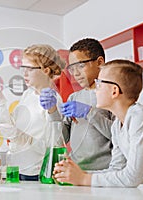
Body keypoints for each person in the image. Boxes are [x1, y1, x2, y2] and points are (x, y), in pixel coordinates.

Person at [53, 59, 143, 187]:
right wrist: (74, 175)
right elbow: (116, 169)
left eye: (99, 84)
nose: (95, 90)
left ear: (114, 91)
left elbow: (131, 178)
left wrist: (83, 179)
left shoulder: (141, 118)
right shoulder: (118, 125)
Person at [40, 38, 113, 170]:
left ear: (100, 62)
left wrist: (89, 112)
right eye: (72, 68)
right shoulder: (74, 97)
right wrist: (52, 110)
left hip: (105, 172)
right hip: (77, 171)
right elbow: (62, 137)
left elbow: (118, 136)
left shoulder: (113, 95)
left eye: (80, 66)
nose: (75, 74)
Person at [0, 44, 66, 181]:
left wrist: (21, 138)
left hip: (38, 174)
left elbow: (52, 145)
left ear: (46, 70)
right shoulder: (28, 94)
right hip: (18, 169)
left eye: (29, 69)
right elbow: (14, 127)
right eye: (23, 68)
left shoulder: (53, 102)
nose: (24, 73)